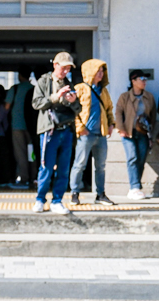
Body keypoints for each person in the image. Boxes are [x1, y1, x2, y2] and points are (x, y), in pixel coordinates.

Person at [31, 52, 82, 214]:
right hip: (49, 130)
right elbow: (36, 103)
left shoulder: (69, 83)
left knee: (64, 167)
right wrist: (56, 97)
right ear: (55, 65)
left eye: (68, 68)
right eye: (63, 67)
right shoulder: (44, 82)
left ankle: (57, 200)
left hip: (66, 129)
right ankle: (40, 199)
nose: (65, 71)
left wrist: (73, 102)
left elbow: (79, 108)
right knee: (46, 166)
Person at [69, 59, 116, 206]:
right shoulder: (80, 88)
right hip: (86, 134)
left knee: (100, 166)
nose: (101, 74)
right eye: (98, 71)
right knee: (79, 164)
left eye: (103, 71)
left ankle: (100, 194)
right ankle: (75, 193)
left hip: (100, 134)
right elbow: (73, 111)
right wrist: (80, 128)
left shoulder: (104, 91)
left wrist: (111, 124)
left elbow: (109, 109)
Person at [115, 71, 157, 200]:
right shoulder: (124, 97)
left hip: (143, 133)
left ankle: (137, 187)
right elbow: (118, 113)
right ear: (133, 81)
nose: (144, 81)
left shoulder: (149, 97)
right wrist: (121, 129)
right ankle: (134, 187)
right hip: (128, 132)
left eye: (146, 79)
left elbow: (153, 117)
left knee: (141, 159)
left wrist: (151, 136)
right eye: (141, 79)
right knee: (132, 157)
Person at [4, 70, 35, 188]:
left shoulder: (15, 89)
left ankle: (24, 177)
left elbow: (6, 106)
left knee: (20, 153)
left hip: (17, 125)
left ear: (20, 76)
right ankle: (34, 176)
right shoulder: (34, 89)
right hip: (32, 126)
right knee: (33, 153)